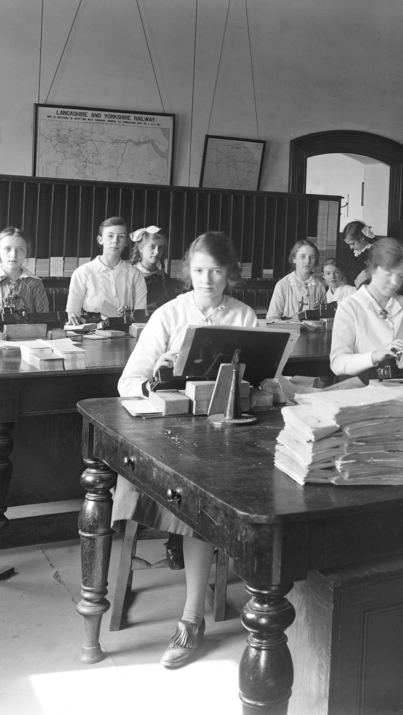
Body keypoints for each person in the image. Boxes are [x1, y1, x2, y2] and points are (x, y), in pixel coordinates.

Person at [115, 232, 258, 668]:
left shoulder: (245, 316)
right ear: (187, 272)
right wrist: (154, 380)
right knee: (198, 492)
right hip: (172, 436)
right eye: (198, 270)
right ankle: (192, 617)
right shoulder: (169, 314)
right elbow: (126, 382)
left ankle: (263, 603)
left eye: (216, 270)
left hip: (228, 434)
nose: (207, 279)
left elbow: (262, 380)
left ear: (229, 273)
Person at [330, 237, 403, 380]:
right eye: (388, 274)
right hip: (360, 389)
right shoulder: (350, 306)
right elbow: (337, 362)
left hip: (399, 387)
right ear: (372, 269)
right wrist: (375, 356)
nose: (394, 283)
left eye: (401, 276)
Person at [66, 216, 147, 325]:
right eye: (110, 236)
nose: (115, 241)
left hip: (125, 329)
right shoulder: (83, 272)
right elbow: (73, 313)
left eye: (121, 237)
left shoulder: (135, 274)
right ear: (100, 240)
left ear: (127, 242)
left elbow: (139, 313)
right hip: (91, 330)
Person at [266, 239, 328, 320]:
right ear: (294, 259)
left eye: (312, 257)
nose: (307, 261)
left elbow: (324, 317)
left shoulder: (319, 286)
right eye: (303, 256)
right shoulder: (283, 285)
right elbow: (271, 318)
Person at [130, 225, 177, 314]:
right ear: (141, 248)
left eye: (160, 248)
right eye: (152, 247)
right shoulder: (130, 276)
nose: (157, 252)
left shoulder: (164, 278)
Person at [342, 221, 376, 288]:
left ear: (362, 238)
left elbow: (357, 273)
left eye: (352, 244)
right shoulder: (354, 252)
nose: (351, 247)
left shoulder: (371, 253)